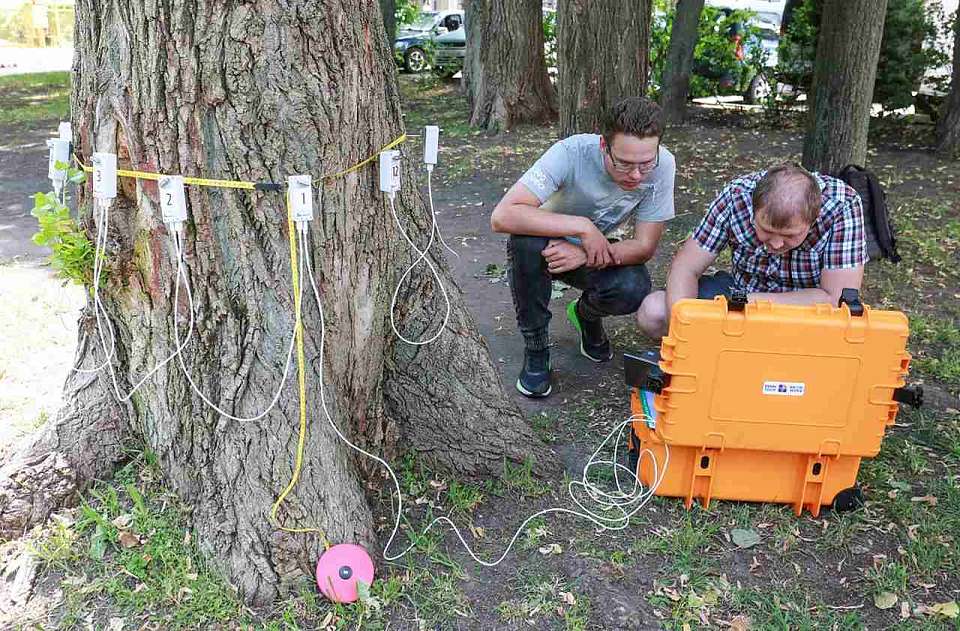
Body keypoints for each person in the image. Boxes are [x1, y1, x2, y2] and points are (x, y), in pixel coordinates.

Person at [490, 97, 676, 398]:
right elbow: (502, 216)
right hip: (544, 244)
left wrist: (584, 250)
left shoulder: (663, 165)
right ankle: (536, 347)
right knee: (525, 242)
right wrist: (582, 227)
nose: (637, 175)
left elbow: (644, 246)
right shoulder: (569, 152)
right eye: (625, 163)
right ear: (604, 146)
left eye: (645, 164)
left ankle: (587, 315)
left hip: (589, 251)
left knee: (634, 285)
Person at [636, 162, 866, 339]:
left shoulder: (842, 205)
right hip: (739, 295)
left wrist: (745, 301)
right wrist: (683, 326)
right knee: (654, 311)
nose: (776, 244)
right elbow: (685, 266)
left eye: (790, 235)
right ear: (753, 209)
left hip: (804, 314)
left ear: (814, 218)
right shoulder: (737, 196)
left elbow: (836, 299)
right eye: (765, 230)